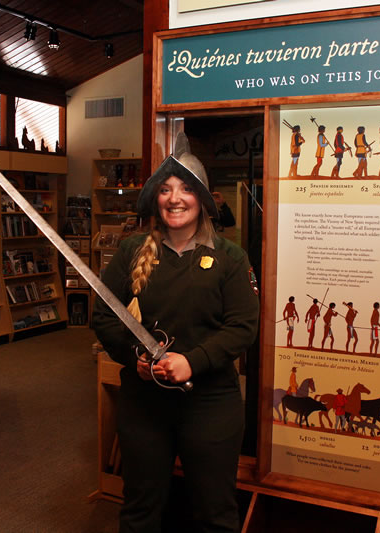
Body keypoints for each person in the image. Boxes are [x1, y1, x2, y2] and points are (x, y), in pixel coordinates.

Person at [92, 134, 260, 533]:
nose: (174, 198)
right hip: (144, 404)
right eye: (165, 189)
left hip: (211, 405)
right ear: (155, 198)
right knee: (141, 511)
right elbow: (103, 315)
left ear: (202, 198)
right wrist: (135, 357)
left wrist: (192, 361)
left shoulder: (229, 258)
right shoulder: (132, 250)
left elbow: (242, 327)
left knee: (214, 514)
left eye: (186, 188)